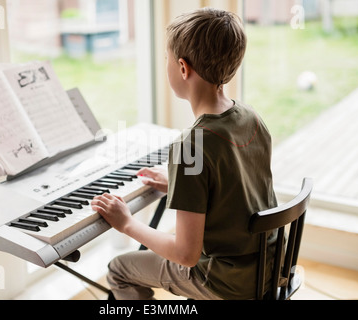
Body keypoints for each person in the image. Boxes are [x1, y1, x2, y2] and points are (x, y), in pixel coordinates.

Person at [91, 7, 278, 300]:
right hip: (267, 267)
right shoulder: (251, 118)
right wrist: (179, 183)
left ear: (182, 67)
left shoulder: (191, 146)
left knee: (118, 269)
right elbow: (235, 186)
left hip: (226, 283)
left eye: (166, 59)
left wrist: (126, 223)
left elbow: (185, 254)